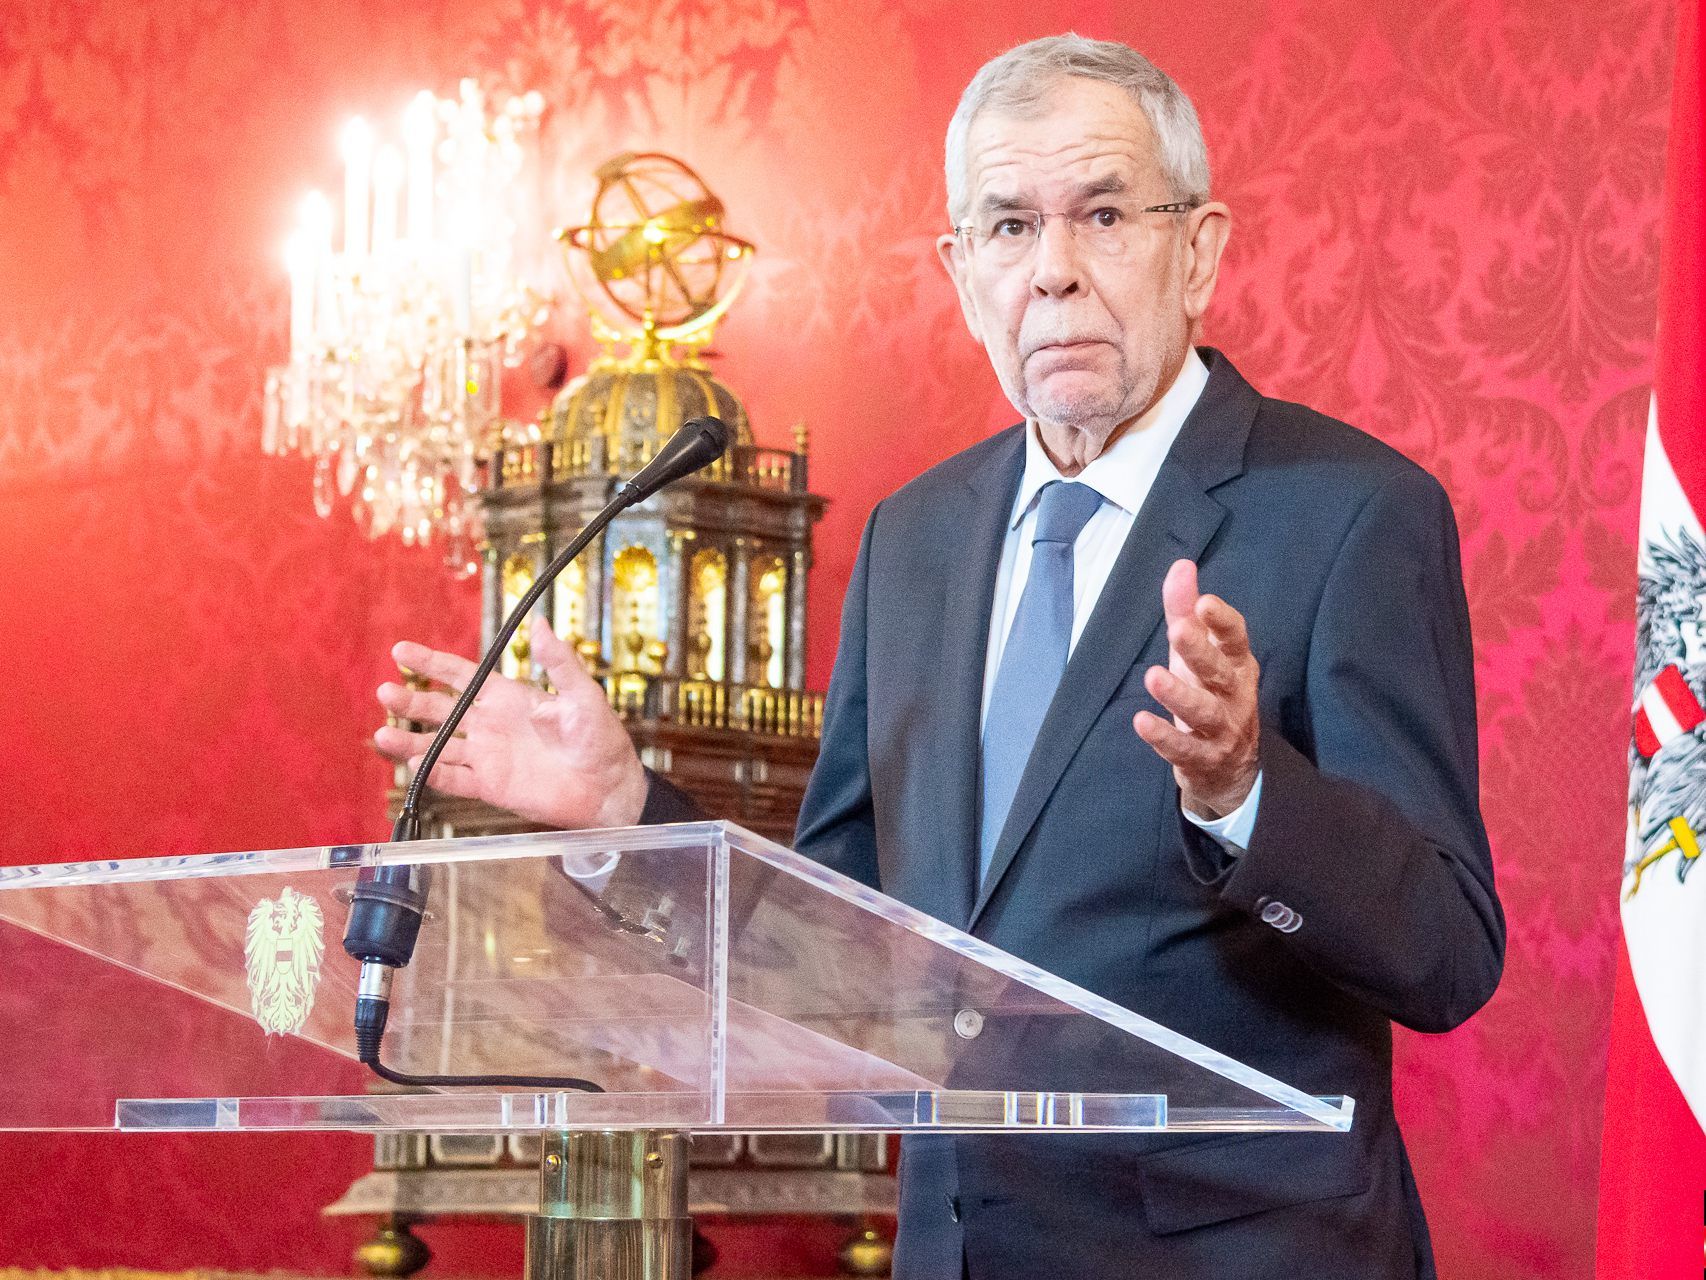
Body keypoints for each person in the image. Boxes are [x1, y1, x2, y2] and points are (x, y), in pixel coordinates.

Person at [375, 34, 1504, 1280]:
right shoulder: (915, 537)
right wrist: (622, 810)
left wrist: (1245, 794)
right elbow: (832, 942)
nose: (1055, 273)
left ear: (1198, 252)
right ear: (962, 273)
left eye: (1104, 213)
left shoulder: (1347, 511)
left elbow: (1445, 951)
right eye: (1009, 228)